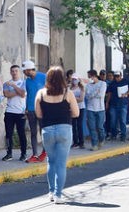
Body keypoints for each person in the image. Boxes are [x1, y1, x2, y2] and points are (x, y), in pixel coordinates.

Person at [35, 67, 79, 204]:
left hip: (47, 130)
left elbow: (39, 114)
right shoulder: (68, 93)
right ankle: (58, 194)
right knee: (61, 164)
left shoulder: (41, 94)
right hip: (64, 129)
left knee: (51, 162)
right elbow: (76, 113)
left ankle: (51, 192)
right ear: (62, 79)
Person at [1, 64, 27, 161]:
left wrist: (14, 86)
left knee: (21, 133)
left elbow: (23, 94)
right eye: (12, 71)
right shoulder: (6, 83)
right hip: (9, 112)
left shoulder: (24, 82)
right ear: (10, 72)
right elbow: (6, 94)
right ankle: (9, 153)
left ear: (19, 72)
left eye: (16, 71)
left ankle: (23, 153)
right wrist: (18, 92)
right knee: (8, 134)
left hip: (20, 112)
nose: (14, 73)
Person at [22, 60, 46, 162]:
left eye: (24, 71)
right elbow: (28, 95)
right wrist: (26, 108)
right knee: (33, 132)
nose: (24, 73)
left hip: (42, 108)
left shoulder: (44, 77)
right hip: (31, 110)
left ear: (29, 69)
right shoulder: (27, 81)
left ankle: (45, 152)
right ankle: (35, 155)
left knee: (43, 131)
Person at [106, 70, 129, 141]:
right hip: (113, 104)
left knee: (122, 120)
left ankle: (123, 135)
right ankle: (114, 134)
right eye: (115, 76)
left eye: (118, 76)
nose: (117, 78)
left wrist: (126, 93)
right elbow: (109, 94)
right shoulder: (112, 83)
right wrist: (107, 103)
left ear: (121, 76)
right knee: (113, 121)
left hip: (123, 104)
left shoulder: (126, 81)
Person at [84, 69, 107, 150]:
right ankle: (94, 144)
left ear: (93, 76)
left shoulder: (103, 84)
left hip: (100, 109)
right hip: (90, 109)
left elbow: (101, 95)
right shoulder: (88, 85)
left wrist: (92, 94)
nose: (89, 78)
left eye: (89, 76)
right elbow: (87, 96)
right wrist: (95, 92)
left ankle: (102, 139)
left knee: (100, 127)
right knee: (92, 127)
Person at [70, 76, 85, 148]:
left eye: (75, 79)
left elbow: (81, 99)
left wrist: (72, 98)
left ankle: (81, 142)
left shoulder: (81, 88)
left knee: (79, 125)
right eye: (73, 79)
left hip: (80, 108)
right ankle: (75, 142)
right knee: (73, 126)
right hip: (72, 108)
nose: (74, 81)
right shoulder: (70, 88)